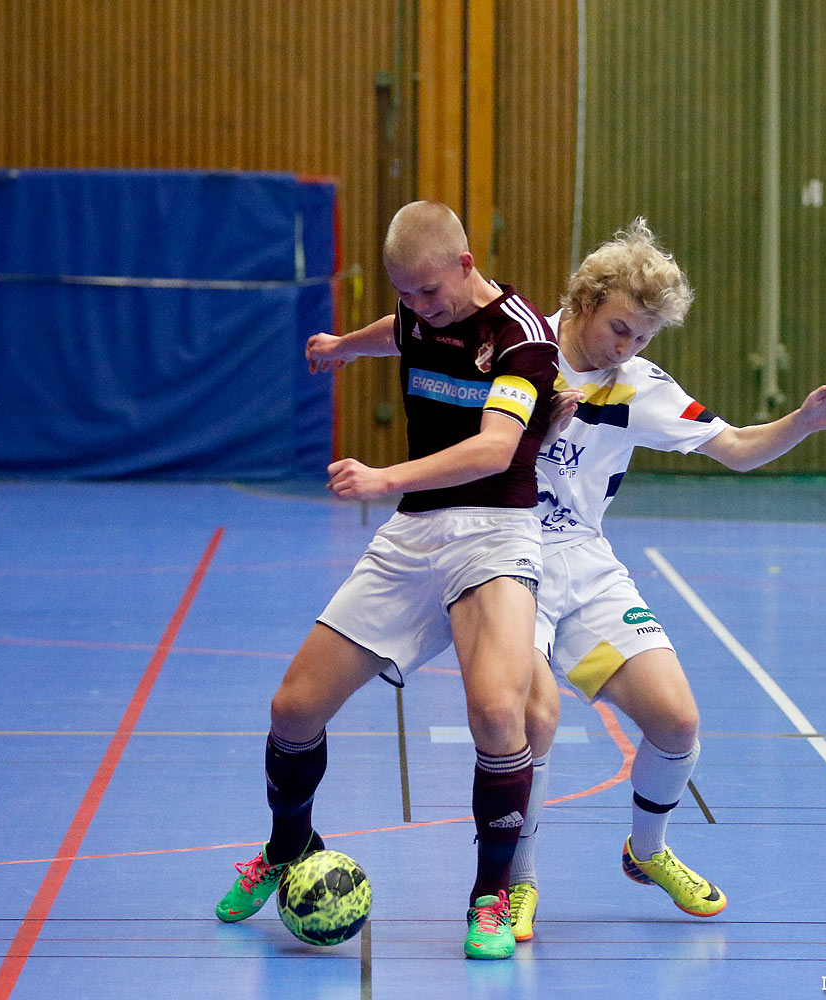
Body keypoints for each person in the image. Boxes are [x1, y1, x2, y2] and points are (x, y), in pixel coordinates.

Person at [214, 201, 560, 960]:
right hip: (413, 538)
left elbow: (497, 449)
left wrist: (383, 478)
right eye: (404, 293)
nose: (417, 308)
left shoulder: (522, 339)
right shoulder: (414, 312)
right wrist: (344, 345)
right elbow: (396, 334)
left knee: (499, 713)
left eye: (429, 293)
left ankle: (490, 898)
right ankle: (287, 846)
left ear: (467, 266)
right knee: (294, 707)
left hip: (494, 533)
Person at [503, 218, 826, 941]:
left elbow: (733, 448)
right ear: (583, 300)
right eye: (619, 329)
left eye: (642, 337)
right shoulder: (520, 349)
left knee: (676, 722)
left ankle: (649, 850)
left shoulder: (637, 383)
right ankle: (517, 883)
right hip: (507, 557)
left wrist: (801, 420)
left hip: (584, 562)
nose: (627, 348)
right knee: (530, 723)